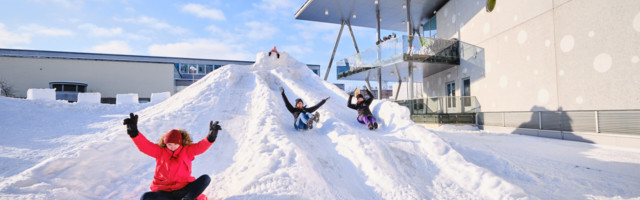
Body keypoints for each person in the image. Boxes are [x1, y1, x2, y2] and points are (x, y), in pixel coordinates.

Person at [123, 113, 222, 200]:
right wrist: (134, 133)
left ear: (181, 143)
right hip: (164, 192)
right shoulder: (160, 151)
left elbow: (201, 146)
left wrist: (210, 137)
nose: (172, 147)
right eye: (169, 144)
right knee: (146, 197)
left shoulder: (187, 150)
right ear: (165, 143)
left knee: (206, 178)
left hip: (184, 190)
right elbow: (144, 146)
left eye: (175, 144)